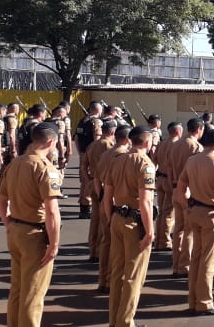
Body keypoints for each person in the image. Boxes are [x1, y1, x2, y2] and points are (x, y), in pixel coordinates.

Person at [0, 121, 63, 327]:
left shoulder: (15, 163)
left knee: (17, 288)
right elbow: (52, 211)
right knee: (33, 293)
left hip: (16, 229)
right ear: (51, 141)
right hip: (35, 234)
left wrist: (8, 222)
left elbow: (1, 198)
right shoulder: (45, 168)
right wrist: (54, 244)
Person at [175, 128, 214, 316]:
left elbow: (181, 187)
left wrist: (186, 206)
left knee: (197, 258)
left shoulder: (192, 160)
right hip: (211, 214)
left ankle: (193, 300)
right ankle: (204, 302)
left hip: (195, 211)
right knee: (208, 260)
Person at [104, 126, 157, 327]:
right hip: (135, 222)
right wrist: (150, 231)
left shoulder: (117, 161)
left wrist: (110, 219)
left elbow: (106, 196)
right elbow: (145, 202)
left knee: (117, 273)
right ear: (146, 142)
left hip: (117, 217)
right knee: (134, 276)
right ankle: (125, 322)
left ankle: (115, 320)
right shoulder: (145, 164)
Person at [95, 125, 131, 293]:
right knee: (118, 247)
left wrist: (101, 196)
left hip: (105, 200)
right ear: (127, 139)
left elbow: (96, 178)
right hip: (118, 204)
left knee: (106, 242)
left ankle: (103, 278)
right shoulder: (123, 157)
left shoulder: (105, 155)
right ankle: (112, 281)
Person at [169, 118, 204, 278]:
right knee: (189, 231)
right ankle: (184, 266)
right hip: (188, 191)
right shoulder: (196, 146)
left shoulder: (175, 145)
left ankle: (176, 265)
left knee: (178, 230)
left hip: (176, 188)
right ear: (199, 129)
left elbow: (168, 167)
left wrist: (173, 186)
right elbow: (197, 173)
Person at [85, 119, 117, 265]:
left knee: (95, 219)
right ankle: (101, 251)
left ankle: (93, 250)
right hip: (104, 185)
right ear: (112, 132)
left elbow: (83, 165)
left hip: (92, 182)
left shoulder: (92, 144)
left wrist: (88, 179)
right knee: (104, 221)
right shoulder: (109, 146)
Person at [154, 122, 180, 252]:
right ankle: (164, 241)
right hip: (169, 180)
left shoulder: (161, 143)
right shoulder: (176, 145)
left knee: (161, 211)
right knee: (169, 212)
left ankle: (158, 239)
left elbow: (154, 160)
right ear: (177, 131)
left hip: (159, 178)